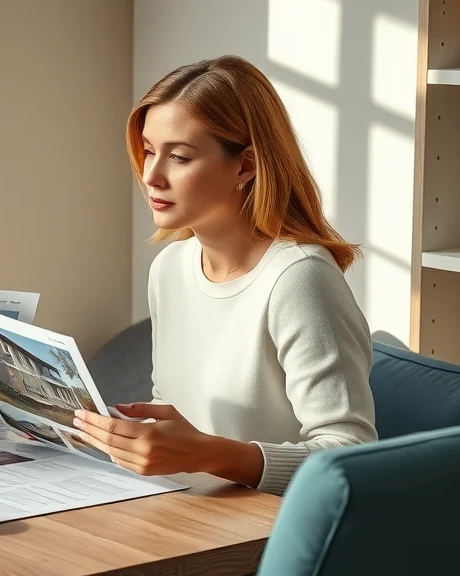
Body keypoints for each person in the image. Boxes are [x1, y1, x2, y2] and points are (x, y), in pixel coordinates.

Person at [73, 55, 377, 497]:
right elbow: (178, 412)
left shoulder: (299, 279)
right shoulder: (170, 269)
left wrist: (208, 455)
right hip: (182, 509)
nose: (151, 176)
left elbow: (350, 456)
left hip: (264, 534)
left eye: (178, 156)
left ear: (245, 166)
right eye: (149, 151)